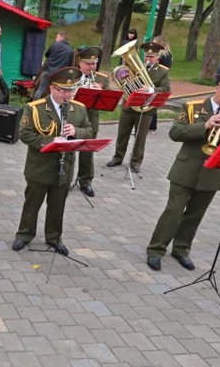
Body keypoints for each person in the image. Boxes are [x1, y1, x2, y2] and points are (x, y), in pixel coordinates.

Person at [146, 72, 220, 271]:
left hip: (214, 172)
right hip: (186, 168)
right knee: (173, 211)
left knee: (195, 214)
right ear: (217, 87)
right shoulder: (193, 107)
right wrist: (204, 125)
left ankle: (181, 249)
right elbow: (175, 133)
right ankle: (155, 250)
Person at [12, 67, 93, 256]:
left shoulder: (78, 109)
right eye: (63, 90)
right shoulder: (35, 107)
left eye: (71, 90)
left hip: (65, 167)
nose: (68, 95)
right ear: (52, 89)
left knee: (58, 206)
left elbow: (89, 131)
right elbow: (25, 134)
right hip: (40, 166)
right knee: (32, 204)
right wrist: (50, 142)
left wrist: (76, 132)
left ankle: (54, 238)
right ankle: (24, 235)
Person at [106, 41, 171, 173]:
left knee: (140, 137)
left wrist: (150, 89)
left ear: (158, 57)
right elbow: (124, 78)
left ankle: (135, 162)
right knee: (122, 134)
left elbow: (165, 88)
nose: (148, 58)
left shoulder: (163, 72)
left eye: (152, 56)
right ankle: (118, 157)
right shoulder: (134, 66)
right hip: (129, 105)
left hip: (146, 109)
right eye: (146, 55)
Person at [73, 47, 111, 198]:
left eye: (94, 63)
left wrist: (101, 93)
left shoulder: (102, 79)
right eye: (88, 63)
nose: (92, 67)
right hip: (72, 119)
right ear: (79, 63)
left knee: (87, 152)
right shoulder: (71, 75)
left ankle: (85, 182)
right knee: (66, 150)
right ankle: (62, 178)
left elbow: (109, 102)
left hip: (91, 120)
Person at [33, 31, 74, 100]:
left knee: (40, 90)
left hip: (48, 72)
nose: (56, 39)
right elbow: (70, 65)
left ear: (61, 37)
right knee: (57, 92)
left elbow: (46, 55)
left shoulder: (54, 45)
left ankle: (34, 105)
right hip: (60, 76)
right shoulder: (70, 50)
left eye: (57, 37)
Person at [149, 35, 173, 134]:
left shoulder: (164, 55)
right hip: (158, 79)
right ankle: (151, 126)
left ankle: (151, 126)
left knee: (152, 104)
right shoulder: (168, 54)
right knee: (151, 103)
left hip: (158, 80)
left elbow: (162, 68)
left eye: (154, 42)